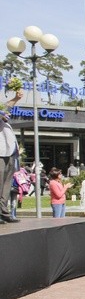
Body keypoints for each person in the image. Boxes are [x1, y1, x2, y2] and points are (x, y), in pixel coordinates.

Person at [0, 88, 23, 224]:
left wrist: (16, 99)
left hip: (9, 152)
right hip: (0, 153)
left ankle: (4, 212)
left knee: (7, 184)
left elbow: (5, 108)